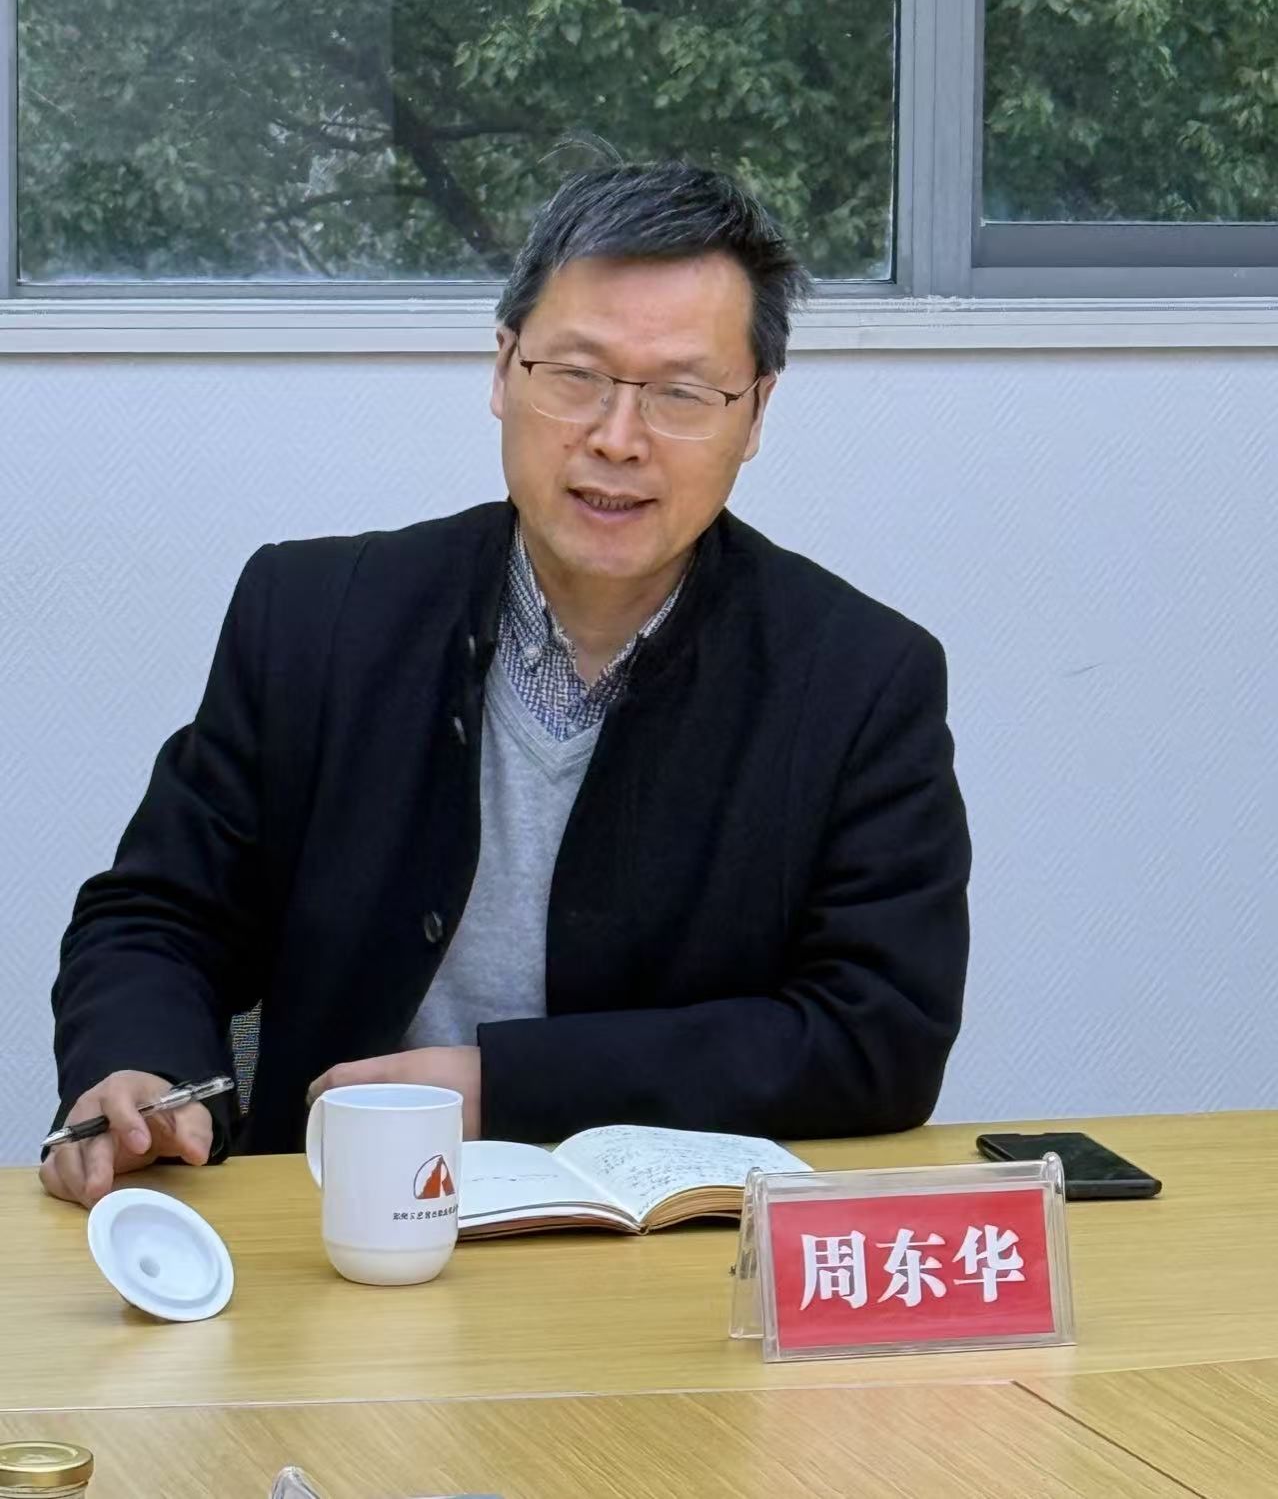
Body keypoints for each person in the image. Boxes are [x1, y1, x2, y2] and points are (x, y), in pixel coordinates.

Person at [42, 160, 971, 1209]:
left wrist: (510, 1086)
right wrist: (137, 1066)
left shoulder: (860, 678)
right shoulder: (314, 615)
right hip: (334, 1222)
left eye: (680, 393)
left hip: (674, 1253)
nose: (616, 438)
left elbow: (878, 1033)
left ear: (755, 414)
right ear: (502, 370)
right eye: (576, 374)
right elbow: (159, 913)